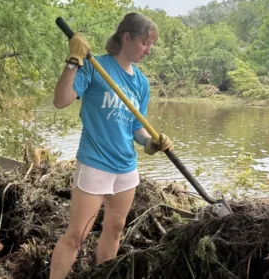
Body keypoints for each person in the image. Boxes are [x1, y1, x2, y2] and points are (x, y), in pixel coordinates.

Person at [50, 12, 173, 279]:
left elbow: (135, 127)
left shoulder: (140, 82)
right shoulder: (95, 67)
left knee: (115, 230)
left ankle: (101, 275)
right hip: (95, 163)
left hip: (126, 168)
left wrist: (150, 143)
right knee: (77, 236)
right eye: (145, 43)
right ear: (126, 37)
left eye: (151, 45)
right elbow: (60, 100)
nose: (149, 51)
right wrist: (73, 61)